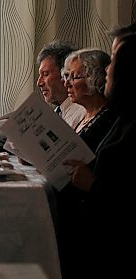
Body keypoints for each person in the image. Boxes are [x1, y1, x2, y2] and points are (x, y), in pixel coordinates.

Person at [63, 34, 136, 278]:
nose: (107, 70)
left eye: (113, 62)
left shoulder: (120, 121)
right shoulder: (122, 118)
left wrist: (93, 185)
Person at [55, 48, 116, 279]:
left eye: (74, 77)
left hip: (89, 224)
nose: (67, 83)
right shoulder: (84, 116)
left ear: (95, 79)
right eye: (66, 76)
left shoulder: (108, 119)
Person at [36, 41, 86, 128]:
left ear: (66, 74)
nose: (39, 83)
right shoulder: (57, 113)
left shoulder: (82, 114)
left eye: (46, 74)